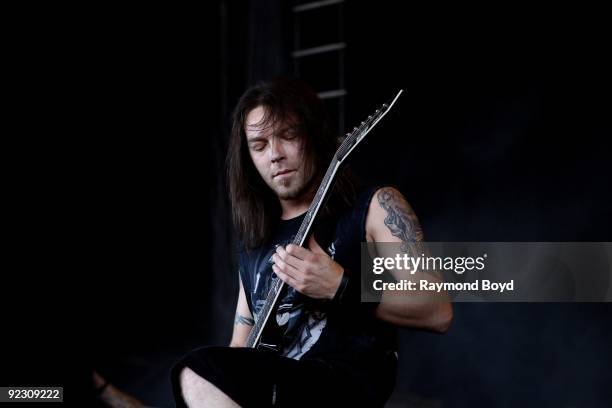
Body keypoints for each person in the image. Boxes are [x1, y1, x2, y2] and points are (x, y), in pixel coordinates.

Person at [172, 78, 453, 407]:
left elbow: (437, 310)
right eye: (259, 145)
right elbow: (238, 351)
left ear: (314, 136)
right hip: (276, 389)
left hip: (343, 386)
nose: (275, 155)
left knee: (195, 369)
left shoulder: (376, 206)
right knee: (197, 376)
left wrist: (340, 286)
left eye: (288, 135)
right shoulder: (255, 246)